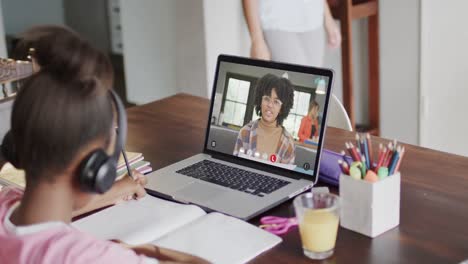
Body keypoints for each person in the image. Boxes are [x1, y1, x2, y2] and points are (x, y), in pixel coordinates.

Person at [0, 25, 208, 264]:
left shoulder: (7, 202)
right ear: (95, 168)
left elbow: (41, 226)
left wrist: (117, 192)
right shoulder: (85, 257)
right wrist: (140, 250)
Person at [242, 0, 341, 67]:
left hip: (313, 19)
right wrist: (257, 40)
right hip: (276, 21)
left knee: (315, 85)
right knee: (294, 83)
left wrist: (328, 17)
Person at [233, 73, 295, 164]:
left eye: (276, 102)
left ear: (282, 108)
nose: (270, 105)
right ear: (260, 101)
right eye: (266, 99)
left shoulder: (288, 142)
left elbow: (286, 176)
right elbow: (235, 165)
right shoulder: (245, 132)